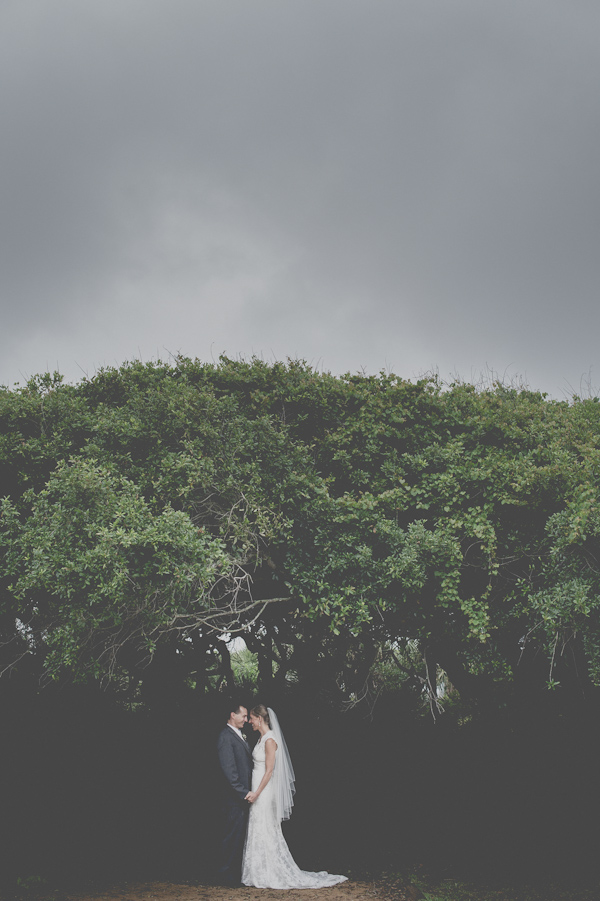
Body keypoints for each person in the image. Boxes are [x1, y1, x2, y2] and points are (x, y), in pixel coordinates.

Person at [241, 704, 348, 889]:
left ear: (260, 718)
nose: (249, 721)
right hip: (258, 790)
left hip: (264, 792)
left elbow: (269, 771)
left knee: (265, 827)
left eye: (251, 718)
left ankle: (269, 872)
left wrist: (257, 793)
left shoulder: (270, 740)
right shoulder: (261, 738)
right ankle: (257, 871)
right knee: (258, 826)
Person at [216, 702, 252, 887]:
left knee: (238, 836)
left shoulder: (238, 735)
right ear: (232, 715)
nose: (246, 720)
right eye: (243, 716)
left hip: (240, 799)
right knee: (231, 836)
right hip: (233, 799)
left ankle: (234, 875)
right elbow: (229, 772)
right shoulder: (225, 737)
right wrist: (243, 793)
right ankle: (225, 876)